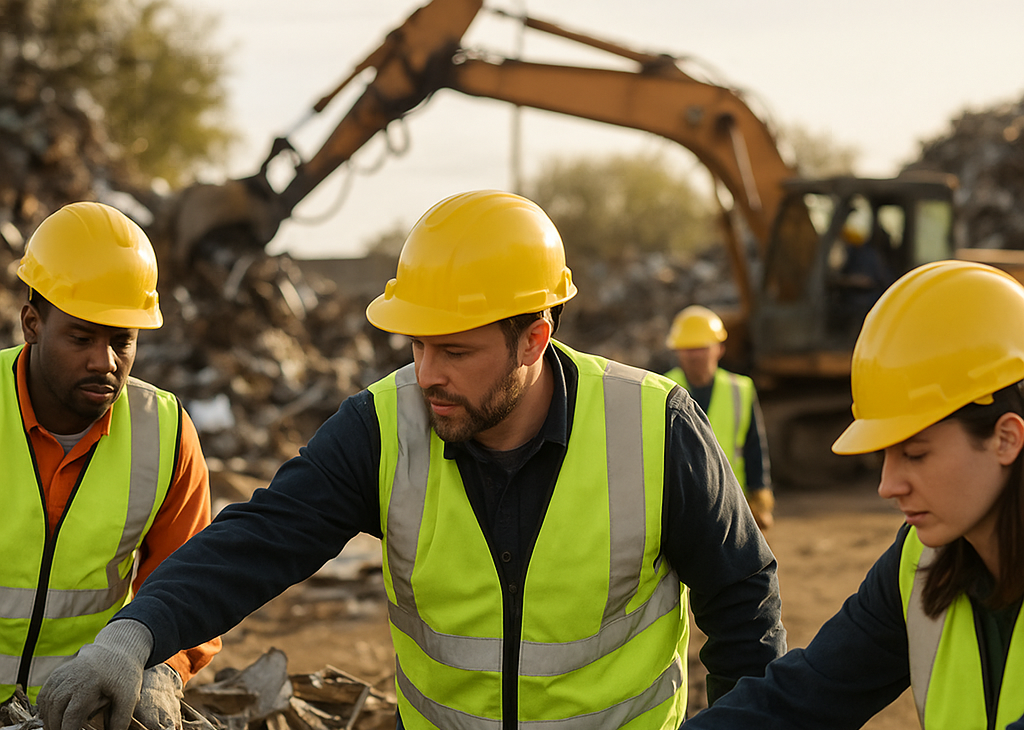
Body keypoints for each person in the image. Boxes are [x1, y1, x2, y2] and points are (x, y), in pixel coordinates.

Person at [38, 190, 785, 730]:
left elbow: (742, 604)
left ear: (535, 338)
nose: (427, 373)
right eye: (417, 344)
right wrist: (135, 636)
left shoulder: (654, 426)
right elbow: (261, 539)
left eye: (455, 350)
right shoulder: (385, 425)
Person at [681, 259, 1024, 729]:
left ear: (1006, 438)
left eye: (916, 455)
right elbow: (804, 695)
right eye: (885, 454)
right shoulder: (921, 562)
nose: (888, 486)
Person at [4, 202, 220, 727]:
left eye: (122, 340)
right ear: (32, 323)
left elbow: (188, 587)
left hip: (86, 714)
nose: (105, 362)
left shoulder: (164, 434)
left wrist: (161, 670)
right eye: (81, 338)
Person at [664, 305, 774, 529]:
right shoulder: (661, 388)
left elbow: (754, 445)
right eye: (688, 348)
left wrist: (760, 491)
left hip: (733, 502)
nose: (695, 355)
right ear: (677, 351)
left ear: (719, 349)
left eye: (702, 348)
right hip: (681, 505)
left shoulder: (740, 389)